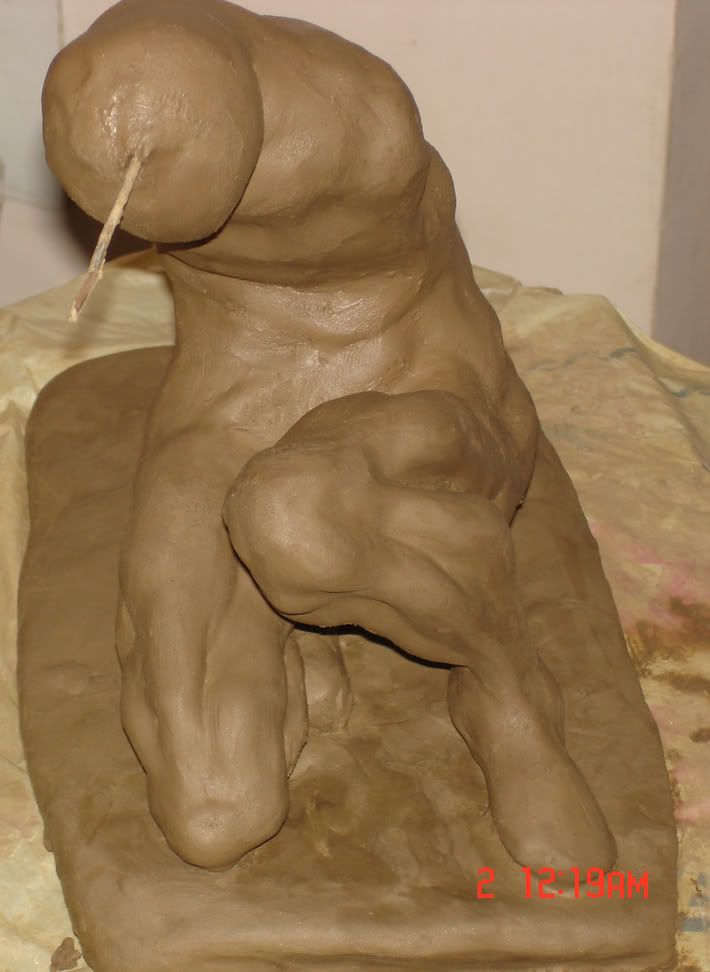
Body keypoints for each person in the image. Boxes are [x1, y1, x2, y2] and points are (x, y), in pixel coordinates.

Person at [43, 0, 615, 873]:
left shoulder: (360, 124)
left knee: (291, 516)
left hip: (416, 384)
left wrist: (173, 106)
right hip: (239, 394)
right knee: (214, 813)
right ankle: (298, 612)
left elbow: (207, 103)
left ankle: (507, 692)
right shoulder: (116, 111)